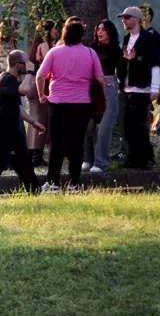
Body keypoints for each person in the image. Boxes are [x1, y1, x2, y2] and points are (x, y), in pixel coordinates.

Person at [36, 18, 103, 191]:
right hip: (82, 104)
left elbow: (40, 76)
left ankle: (53, 183)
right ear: (82, 35)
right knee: (77, 145)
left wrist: (42, 95)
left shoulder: (54, 53)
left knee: (56, 145)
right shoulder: (90, 53)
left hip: (58, 103)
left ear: (65, 34)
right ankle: (74, 183)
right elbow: (100, 78)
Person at [0, 50, 45, 198]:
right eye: (26, 63)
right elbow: (25, 90)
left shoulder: (11, 81)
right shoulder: (5, 79)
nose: (28, 66)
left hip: (11, 130)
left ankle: (35, 193)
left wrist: (33, 122)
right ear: (18, 65)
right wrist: (30, 73)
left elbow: (17, 107)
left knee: (24, 164)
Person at [118, 6, 160, 169]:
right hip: (128, 88)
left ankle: (145, 158)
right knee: (128, 125)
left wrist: (154, 88)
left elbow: (155, 65)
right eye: (123, 18)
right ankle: (133, 157)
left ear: (137, 19)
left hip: (142, 89)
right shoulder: (126, 39)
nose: (123, 21)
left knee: (139, 125)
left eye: (127, 17)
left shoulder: (147, 39)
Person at [83, 20, 122, 174]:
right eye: (98, 29)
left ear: (110, 32)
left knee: (104, 127)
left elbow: (120, 71)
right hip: (92, 88)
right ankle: (88, 160)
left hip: (108, 85)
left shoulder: (116, 50)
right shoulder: (92, 49)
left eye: (103, 30)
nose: (100, 32)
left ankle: (101, 163)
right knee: (88, 126)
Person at [26, 20, 58, 167]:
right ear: (48, 31)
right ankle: (37, 156)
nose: (55, 32)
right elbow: (48, 64)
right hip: (41, 84)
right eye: (54, 30)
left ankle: (32, 154)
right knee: (41, 120)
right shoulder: (45, 45)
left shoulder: (36, 45)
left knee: (34, 120)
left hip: (32, 83)